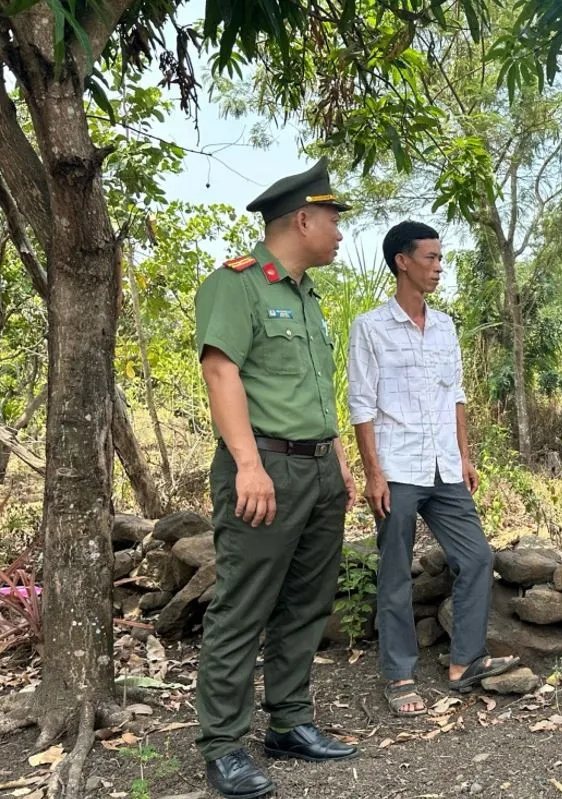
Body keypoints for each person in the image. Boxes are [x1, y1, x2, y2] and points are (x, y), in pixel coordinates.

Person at [194, 158, 359, 799]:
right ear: (302, 218)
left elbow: (315, 393)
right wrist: (248, 464)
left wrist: (338, 459)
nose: (340, 233)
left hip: (317, 470)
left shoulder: (307, 298)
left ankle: (289, 721)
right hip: (265, 467)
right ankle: (223, 745)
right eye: (334, 220)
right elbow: (220, 372)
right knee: (244, 605)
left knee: (306, 603)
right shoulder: (236, 285)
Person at [347, 221, 519, 716]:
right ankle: (399, 674)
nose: (439, 267)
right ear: (402, 261)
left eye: (441, 258)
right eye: (430, 258)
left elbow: (456, 395)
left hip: (444, 465)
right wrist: (373, 474)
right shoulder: (370, 327)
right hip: (397, 467)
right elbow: (362, 405)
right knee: (396, 572)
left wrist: (465, 455)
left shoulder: (445, 326)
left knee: (478, 557)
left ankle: (465, 662)